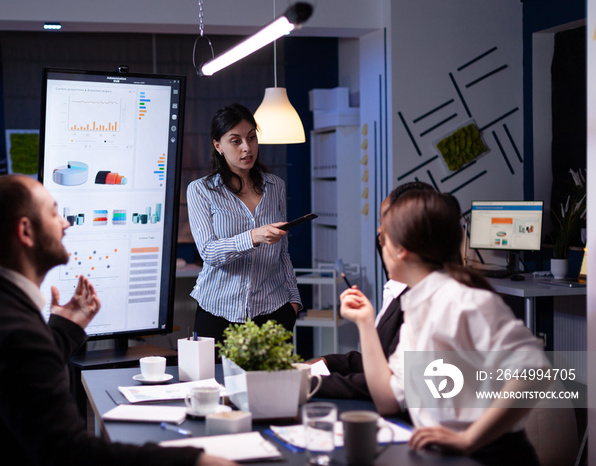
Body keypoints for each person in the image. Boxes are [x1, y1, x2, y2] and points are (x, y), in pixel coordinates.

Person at [0, 175, 235, 466]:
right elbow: (69, 453)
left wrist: (65, 327)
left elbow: (17, 387)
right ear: (26, 231)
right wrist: (195, 460)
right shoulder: (13, 331)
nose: (66, 224)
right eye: (54, 213)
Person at [339, 189, 545, 464]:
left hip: (486, 456)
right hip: (442, 455)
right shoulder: (417, 304)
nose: (381, 246)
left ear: (401, 250)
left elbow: (534, 370)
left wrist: (469, 438)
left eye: (383, 238)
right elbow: (387, 400)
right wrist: (365, 323)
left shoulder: (462, 300)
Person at [186, 104, 302, 342]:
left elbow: (283, 252)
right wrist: (253, 236)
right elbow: (208, 252)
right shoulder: (201, 190)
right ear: (218, 146)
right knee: (214, 380)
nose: (247, 148)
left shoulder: (275, 186)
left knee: (274, 380)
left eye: (251, 137)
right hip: (218, 312)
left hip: (273, 310)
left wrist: (294, 301)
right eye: (235, 141)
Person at [311, 182, 437, 401]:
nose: (379, 233)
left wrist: (308, 382)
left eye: (386, 225)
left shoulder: (433, 302)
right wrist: (327, 363)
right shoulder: (402, 291)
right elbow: (382, 364)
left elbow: (390, 388)